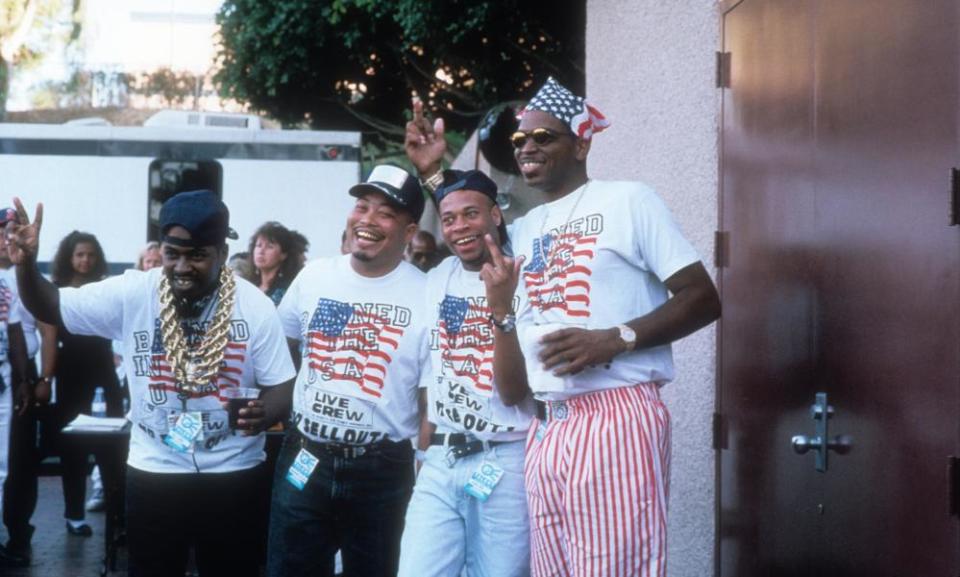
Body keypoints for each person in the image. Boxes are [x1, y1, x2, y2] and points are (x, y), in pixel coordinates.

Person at [410, 78, 721, 576]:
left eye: (543, 137)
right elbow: (468, 220)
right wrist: (433, 174)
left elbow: (703, 298)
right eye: (519, 141)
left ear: (581, 143)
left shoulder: (629, 201)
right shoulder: (527, 228)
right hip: (546, 424)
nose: (527, 147)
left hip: (614, 414)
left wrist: (615, 338)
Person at [8, 190, 297, 577]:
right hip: (155, 469)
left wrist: (266, 412)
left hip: (234, 471)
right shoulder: (134, 292)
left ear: (222, 254)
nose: (181, 266)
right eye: (172, 253)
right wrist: (26, 265)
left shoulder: (255, 306)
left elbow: (282, 385)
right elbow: (50, 305)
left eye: (196, 255)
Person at [267, 165, 429, 577]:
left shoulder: (427, 292)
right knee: (290, 569)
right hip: (304, 455)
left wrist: (425, 460)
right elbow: (283, 352)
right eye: (362, 206)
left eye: (385, 213)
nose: (367, 221)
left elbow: (429, 398)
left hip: (382, 469)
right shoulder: (316, 276)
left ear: (409, 232)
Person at [394, 147, 536, 574]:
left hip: (504, 458)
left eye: (470, 215)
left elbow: (513, 393)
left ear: (495, 215)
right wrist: (422, 454)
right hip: (441, 458)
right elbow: (429, 376)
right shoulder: (437, 278)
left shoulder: (524, 276)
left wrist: (500, 310)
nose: (458, 228)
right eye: (450, 219)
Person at [46, 231, 124, 537]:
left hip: (104, 372)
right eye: (79, 254)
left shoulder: (105, 289)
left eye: (90, 254)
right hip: (71, 374)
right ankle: (74, 514)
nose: (85, 260)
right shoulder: (57, 292)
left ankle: (118, 514)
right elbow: (50, 337)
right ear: (69, 257)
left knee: (113, 447)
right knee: (73, 450)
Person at [0, 207, 56, 566]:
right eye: (4, 232)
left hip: (11, 378)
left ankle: (17, 536)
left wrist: (28, 380)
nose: (8, 239)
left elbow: (19, 330)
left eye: (13, 231)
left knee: (14, 465)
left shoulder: (21, 278)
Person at [249, 222, 307, 306]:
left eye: (270, 247)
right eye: (258, 245)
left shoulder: (287, 290)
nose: (261, 251)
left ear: (283, 255)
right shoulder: (249, 285)